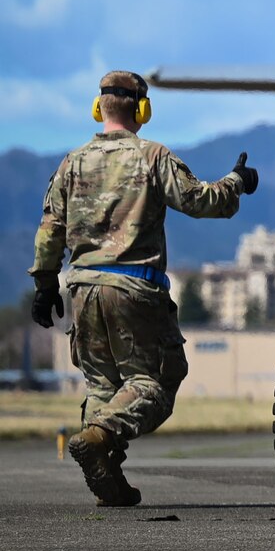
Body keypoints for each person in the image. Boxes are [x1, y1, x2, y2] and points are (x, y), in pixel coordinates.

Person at [29, 71, 257, 506]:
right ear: (141, 110)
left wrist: (44, 285)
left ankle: (107, 474)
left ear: (99, 109)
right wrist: (236, 182)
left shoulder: (71, 163)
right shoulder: (151, 157)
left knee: (102, 387)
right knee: (155, 383)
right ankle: (98, 437)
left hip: (81, 289)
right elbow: (202, 201)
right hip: (134, 290)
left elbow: (49, 229)